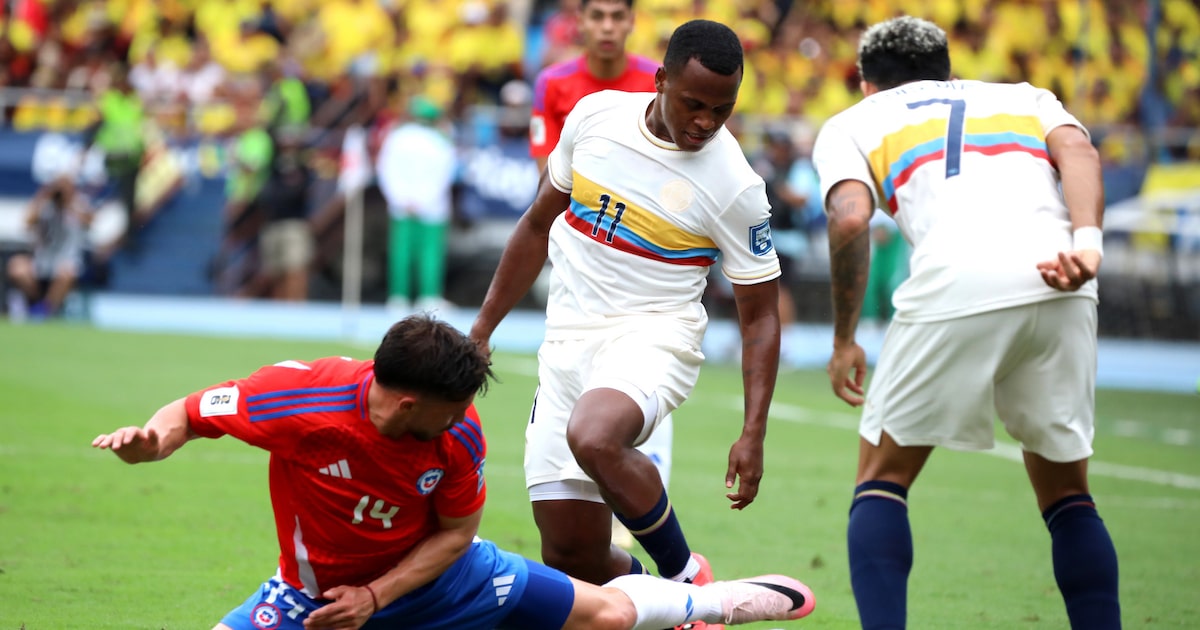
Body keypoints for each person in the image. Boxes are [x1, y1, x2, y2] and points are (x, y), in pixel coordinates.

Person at [91, 314, 814, 630]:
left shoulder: (455, 436)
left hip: (443, 583)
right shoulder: (297, 399)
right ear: (406, 402)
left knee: (612, 615)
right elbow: (187, 413)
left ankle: (718, 603)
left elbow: (458, 533)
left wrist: (375, 597)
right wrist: (149, 440)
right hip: (311, 599)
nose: (468, 419)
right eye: (454, 407)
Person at [812, 16, 1120, 630]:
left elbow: (849, 222)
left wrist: (845, 338)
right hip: (1062, 274)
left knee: (882, 480)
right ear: (950, 73)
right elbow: (1080, 151)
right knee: (1067, 493)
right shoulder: (1023, 96)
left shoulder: (853, 121)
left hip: (955, 278)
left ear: (867, 85)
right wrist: (1088, 245)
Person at [470, 19, 783, 614]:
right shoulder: (595, 119)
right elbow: (538, 224)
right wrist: (483, 328)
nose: (706, 122)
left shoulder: (736, 186)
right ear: (660, 80)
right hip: (566, 341)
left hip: (654, 334)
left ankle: (687, 581)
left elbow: (761, 316)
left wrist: (753, 431)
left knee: (595, 434)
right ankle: (664, 608)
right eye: (693, 103)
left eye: (722, 109)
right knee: (572, 556)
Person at [528, 0, 674, 555]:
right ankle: (582, 505)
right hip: (579, 254)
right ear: (580, 23)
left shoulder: (657, 79)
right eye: (598, 17)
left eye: (618, 16)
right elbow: (548, 174)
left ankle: (638, 521)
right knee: (573, 365)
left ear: (632, 22)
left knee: (643, 379)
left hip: (651, 257)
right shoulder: (555, 84)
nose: (608, 27)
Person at [376, 94, 458, 313]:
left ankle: (398, 297)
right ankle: (428, 297)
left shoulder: (395, 137)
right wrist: (424, 200)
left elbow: (385, 170)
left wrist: (399, 198)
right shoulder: (442, 141)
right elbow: (444, 176)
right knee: (430, 254)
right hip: (432, 206)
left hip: (401, 204)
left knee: (400, 252)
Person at [5, 175, 92, 319]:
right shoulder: (45, 206)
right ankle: (35, 303)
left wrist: (68, 203)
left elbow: (89, 221)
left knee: (67, 273)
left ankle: (46, 310)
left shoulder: (78, 205)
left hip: (66, 262)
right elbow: (27, 222)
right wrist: (44, 196)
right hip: (42, 263)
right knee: (17, 267)